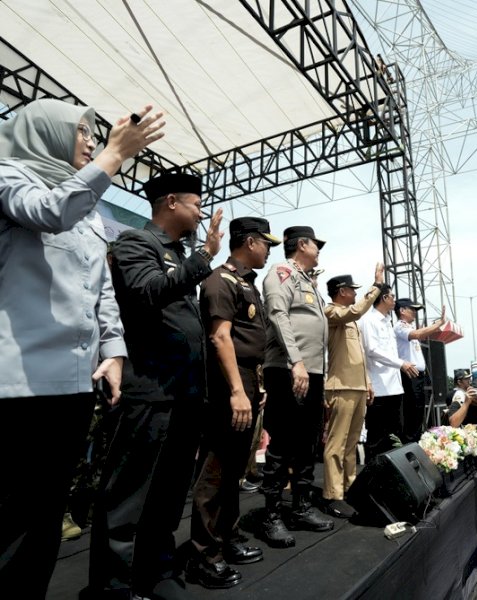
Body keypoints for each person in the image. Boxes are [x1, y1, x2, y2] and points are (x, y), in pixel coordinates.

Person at [0, 99, 163, 599]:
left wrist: (112, 352)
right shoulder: (9, 174)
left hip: (72, 384)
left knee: (47, 519)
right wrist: (114, 155)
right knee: (11, 522)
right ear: (47, 131)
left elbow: (102, 290)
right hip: (17, 386)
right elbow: (48, 212)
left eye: (97, 135)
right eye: (82, 132)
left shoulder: (90, 205)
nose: (91, 141)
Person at [86, 172, 224, 600]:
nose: (201, 212)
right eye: (196, 204)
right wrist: (203, 258)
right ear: (170, 203)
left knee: (168, 495)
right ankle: (114, 587)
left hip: (183, 394)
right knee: (128, 497)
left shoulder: (177, 254)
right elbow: (147, 292)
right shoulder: (135, 244)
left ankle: (158, 572)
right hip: (148, 391)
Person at [187, 217, 281, 589]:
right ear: (250, 242)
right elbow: (220, 338)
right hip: (230, 382)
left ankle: (227, 537)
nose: (269, 250)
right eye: (266, 244)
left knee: (235, 469)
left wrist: (255, 385)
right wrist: (237, 391)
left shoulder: (244, 282)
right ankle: (203, 555)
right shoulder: (220, 281)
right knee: (215, 469)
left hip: (247, 379)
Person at [258, 226, 333, 548]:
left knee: (306, 442)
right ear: (302, 244)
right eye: (316, 244)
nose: (319, 249)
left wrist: (316, 371)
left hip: (311, 371)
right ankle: (271, 515)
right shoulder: (282, 272)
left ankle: (301, 507)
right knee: (282, 443)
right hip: (289, 370)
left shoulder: (307, 280)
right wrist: (296, 362)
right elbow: (278, 316)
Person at [320, 265, 384, 518]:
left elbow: (359, 357)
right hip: (340, 386)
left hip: (356, 386)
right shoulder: (332, 312)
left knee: (352, 442)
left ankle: (349, 487)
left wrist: (367, 382)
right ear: (341, 292)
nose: (355, 294)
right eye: (352, 290)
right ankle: (332, 494)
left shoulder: (350, 318)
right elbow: (357, 311)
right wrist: (376, 286)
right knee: (336, 443)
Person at [359, 284, 419, 459]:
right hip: (379, 389)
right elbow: (372, 350)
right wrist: (401, 363)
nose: (394, 300)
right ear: (384, 298)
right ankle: (375, 480)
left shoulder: (387, 322)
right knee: (377, 438)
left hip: (394, 388)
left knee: (394, 437)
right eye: (392, 296)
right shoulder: (369, 320)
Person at [394, 299, 446, 441]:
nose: (415, 313)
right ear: (402, 311)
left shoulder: (409, 327)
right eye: (412, 309)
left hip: (418, 375)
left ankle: (415, 440)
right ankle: (409, 442)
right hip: (410, 374)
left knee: (418, 412)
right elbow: (417, 335)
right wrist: (437, 324)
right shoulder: (400, 327)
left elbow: (418, 333)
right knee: (412, 411)